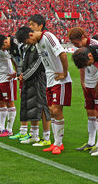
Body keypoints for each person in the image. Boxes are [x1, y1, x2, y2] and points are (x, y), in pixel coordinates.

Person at [27, 14, 72, 155]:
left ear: (40, 26)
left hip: (60, 81)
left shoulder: (48, 37)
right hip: (50, 81)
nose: (30, 29)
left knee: (57, 110)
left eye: (32, 25)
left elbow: (62, 54)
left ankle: (59, 143)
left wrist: (64, 73)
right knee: (52, 111)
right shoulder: (38, 43)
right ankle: (56, 143)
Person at [68, 27, 98, 154]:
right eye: (73, 44)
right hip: (88, 83)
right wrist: (82, 81)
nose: (75, 45)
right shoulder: (79, 48)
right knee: (90, 112)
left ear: (83, 37)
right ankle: (91, 142)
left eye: (76, 43)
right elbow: (81, 65)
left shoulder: (96, 45)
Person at [14, 26, 51, 146]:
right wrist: (21, 74)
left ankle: (46, 136)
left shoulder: (40, 44)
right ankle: (34, 135)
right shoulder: (28, 46)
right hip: (28, 79)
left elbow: (38, 64)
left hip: (39, 79)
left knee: (43, 106)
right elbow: (23, 61)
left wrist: (24, 75)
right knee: (31, 107)